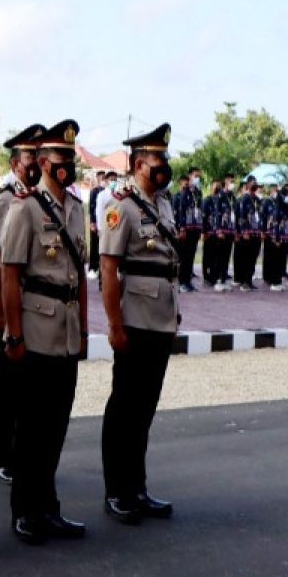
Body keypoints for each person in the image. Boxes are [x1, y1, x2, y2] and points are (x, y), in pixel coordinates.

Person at [1, 120, 88, 544]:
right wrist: (13, 334)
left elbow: (81, 276)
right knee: (31, 428)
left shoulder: (77, 208)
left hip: (67, 330)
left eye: (71, 159)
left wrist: (86, 329)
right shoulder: (25, 208)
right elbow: (10, 274)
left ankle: (48, 508)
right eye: (59, 160)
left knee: (55, 425)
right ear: (42, 163)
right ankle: (25, 512)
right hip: (35, 329)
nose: (66, 166)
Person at [98, 123, 178, 525]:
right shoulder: (121, 204)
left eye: (164, 157)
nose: (163, 165)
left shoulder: (163, 203)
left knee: (145, 407)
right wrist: (114, 325)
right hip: (134, 319)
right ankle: (117, 490)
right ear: (137, 163)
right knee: (124, 408)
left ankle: (138, 486)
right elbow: (108, 268)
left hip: (161, 319)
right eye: (156, 159)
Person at [0, 123, 46, 486]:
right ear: (14, 164)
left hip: (38, 306)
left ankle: (25, 451)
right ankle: (1, 456)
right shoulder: (3, 200)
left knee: (32, 385)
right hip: (10, 304)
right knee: (6, 383)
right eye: (29, 158)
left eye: (39, 157)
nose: (35, 164)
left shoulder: (45, 199)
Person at [172, 168, 203, 292]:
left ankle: (188, 281)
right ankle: (181, 281)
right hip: (186, 228)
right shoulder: (185, 192)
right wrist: (182, 227)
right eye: (195, 176)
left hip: (195, 228)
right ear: (190, 176)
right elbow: (181, 210)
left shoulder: (198, 192)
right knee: (183, 256)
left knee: (191, 256)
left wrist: (201, 227)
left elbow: (200, 211)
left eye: (199, 176)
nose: (197, 178)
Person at [260, 183, 282, 291]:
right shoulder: (266, 202)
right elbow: (263, 217)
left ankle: (273, 277)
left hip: (277, 232)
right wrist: (263, 231)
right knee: (268, 255)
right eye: (274, 190)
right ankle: (267, 276)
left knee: (275, 256)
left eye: (277, 190)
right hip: (268, 233)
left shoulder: (278, 203)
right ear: (270, 191)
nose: (275, 192)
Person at [200, 179, 221, 288]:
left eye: (219, 185)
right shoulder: (207, 200)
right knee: (207, 255)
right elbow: (203, 216)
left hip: (217, 232)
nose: (217, 187)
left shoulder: (219, 200)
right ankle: (206, 276)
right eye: (215, 185)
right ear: (211, 187)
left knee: (215, 255)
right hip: (209, 232)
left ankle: (214, 276)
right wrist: (204, 231)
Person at [87, 170, 107, 280]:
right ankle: (93, 268)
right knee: (94, 245)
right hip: (95, 221)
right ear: (98, 178)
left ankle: (101, 268)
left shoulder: (107, 191)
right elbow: (91, 207)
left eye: (104, 177)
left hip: (104, 222)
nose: (103, 179)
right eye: (101, 177)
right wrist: (92, 222)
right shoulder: (94, 191)